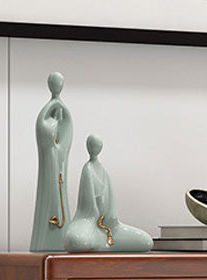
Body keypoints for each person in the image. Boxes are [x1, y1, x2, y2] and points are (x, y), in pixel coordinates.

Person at [64, 135, 153, 253]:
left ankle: (103, 238)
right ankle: (96, 239)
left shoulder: (102, 171)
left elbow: (110, 199)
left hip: (109, 225)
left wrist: (110, 218)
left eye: (97, 146)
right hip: (89, 220)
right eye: (92, 146)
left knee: (145, 241)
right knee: (77, 241)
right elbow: (87, 201)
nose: (94, 149)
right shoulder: (88, 169)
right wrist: (94, 214)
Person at [30, 72, 73, 252]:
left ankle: (61, 230)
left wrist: (59, 147)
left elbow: (66, 133)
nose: (58, 87)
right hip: (50, 155)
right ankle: (49, 234)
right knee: (50, 188)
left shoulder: (61, 109)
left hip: (58, 155)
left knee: (60, 188)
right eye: (56, 84)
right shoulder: (45, 114)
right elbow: (44, 134)